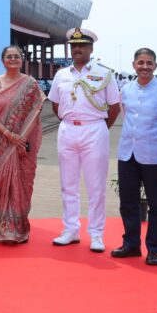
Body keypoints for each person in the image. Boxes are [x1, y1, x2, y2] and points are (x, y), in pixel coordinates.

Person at [47, 27, 121, 252]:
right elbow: (55, 104)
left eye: (81, 45)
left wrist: (100, 128)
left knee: (96, 186)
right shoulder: (61, 74)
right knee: (67, 184)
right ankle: (70, 229)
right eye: (74, 46)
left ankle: (96, 234)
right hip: (68, 129)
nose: (77, 49)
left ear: (91, 48)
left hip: (94, 129)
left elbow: (114, 107)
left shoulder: (104, 74)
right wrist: (70, 121)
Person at [0, 45, 45, 244]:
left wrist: (20, 138)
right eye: (9, 56)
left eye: (17, 56)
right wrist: (8, 134)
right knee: (2, 183)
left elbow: (36, 111)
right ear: (3, 60)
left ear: (22, 60)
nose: (13, 59)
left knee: (21, 183)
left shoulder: (30, 84)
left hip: (21, 142)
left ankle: (16, 228)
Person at [112, 48, 157, 266]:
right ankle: (131, 244)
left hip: (154, 155)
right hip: (128, 154)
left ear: (155, 66)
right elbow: (127, 117)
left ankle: (154, 249)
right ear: (134, 65)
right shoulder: (126, 90)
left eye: (149, 63)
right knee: (128, 202)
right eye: (141, 63)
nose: (144, 67)